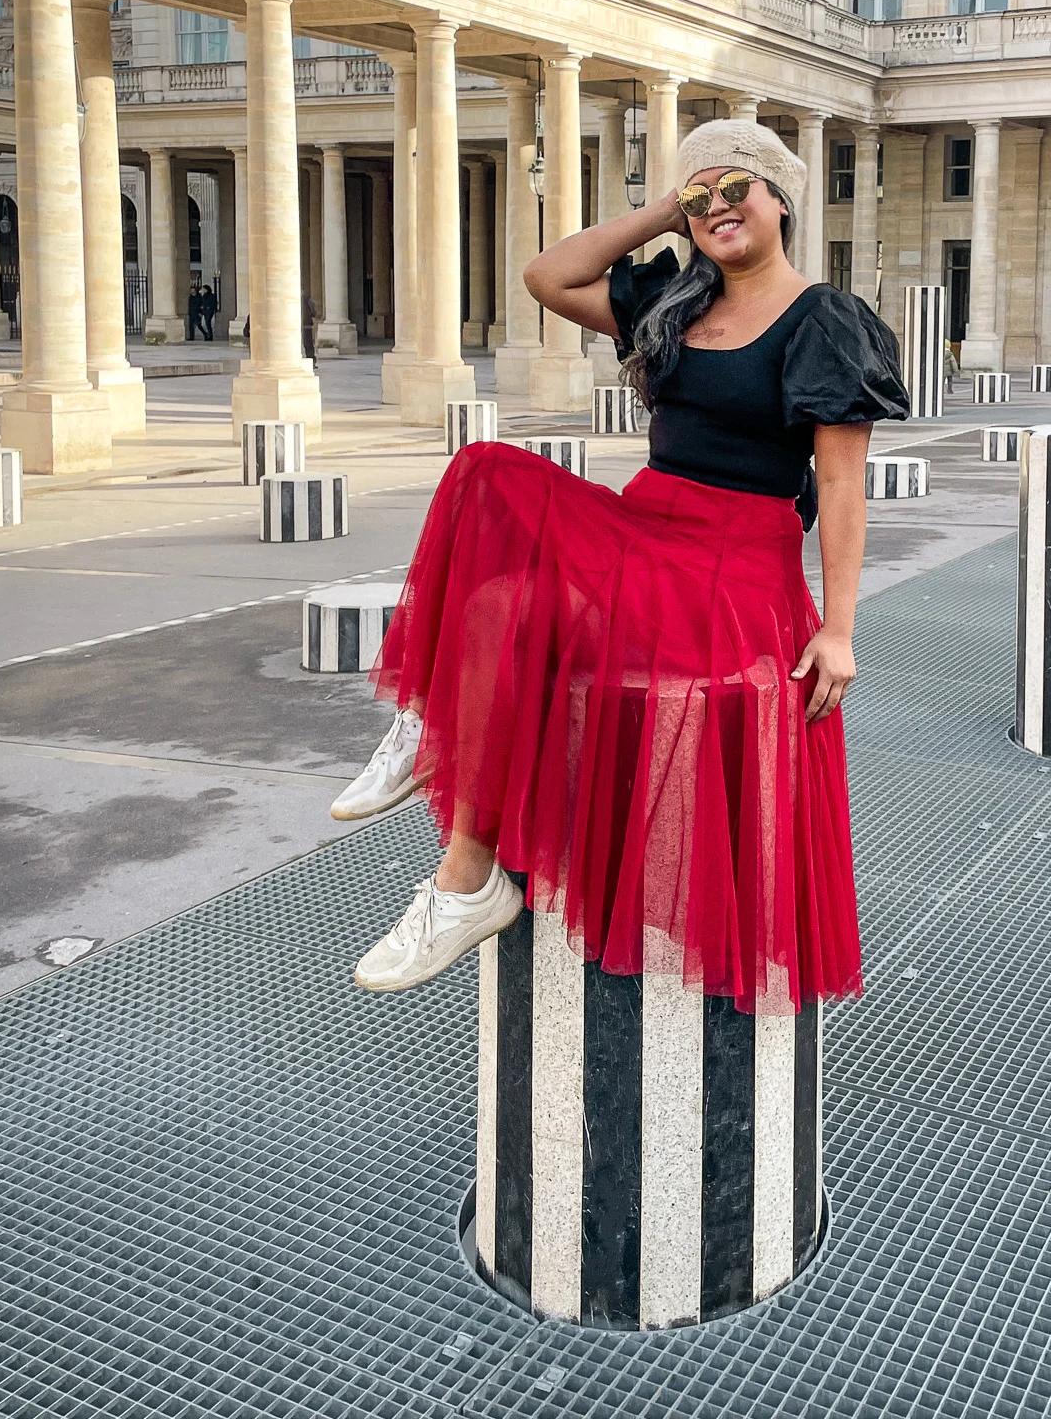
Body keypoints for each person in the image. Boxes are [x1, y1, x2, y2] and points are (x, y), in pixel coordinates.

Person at [333, 119, 910, 1013]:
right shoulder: (673, 302)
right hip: (642, 530)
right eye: (701, 196)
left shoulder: (825, 321)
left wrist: (837, 629)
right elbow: (547, 276)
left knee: (512, 597)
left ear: (779, 201)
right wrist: (661, 211)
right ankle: (441, 780)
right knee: (488, 491)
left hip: (734, 566)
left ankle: (458, 875)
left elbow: (839, 483)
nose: (718, 208)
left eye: (736, 189)